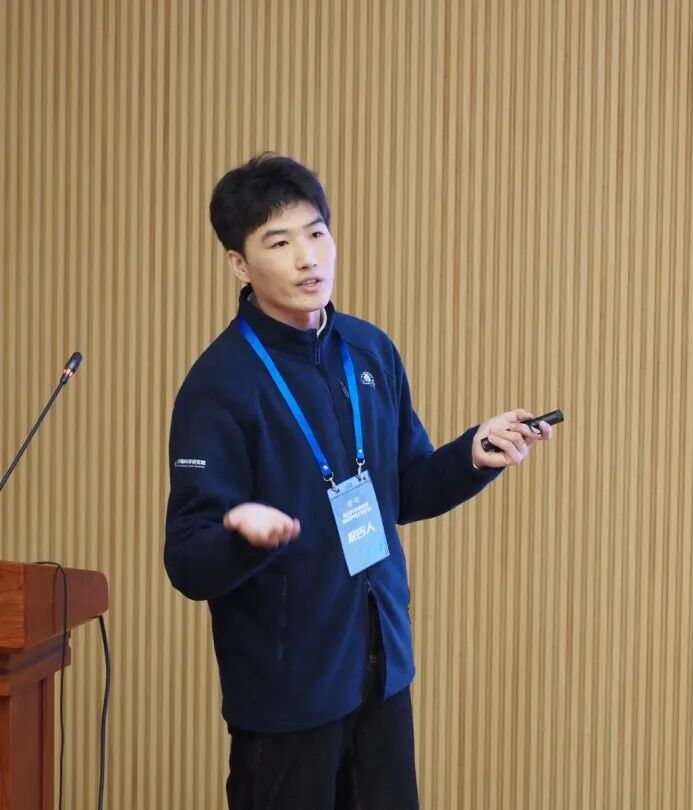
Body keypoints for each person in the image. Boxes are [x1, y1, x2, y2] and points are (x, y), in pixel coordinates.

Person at [164, 152, 553, 809]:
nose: (307, 258)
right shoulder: (218, 386)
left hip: (381, 675)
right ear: (239, 263)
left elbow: (406, 486)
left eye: (316, 233)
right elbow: (188, 562)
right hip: (288, 698)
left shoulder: (369, 351)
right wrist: (240, 535)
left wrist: (473, 455)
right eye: (279, 243)